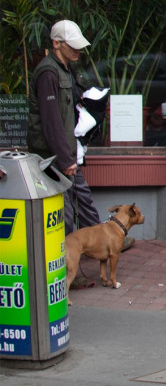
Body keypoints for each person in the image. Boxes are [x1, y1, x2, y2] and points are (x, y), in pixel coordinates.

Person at [27, 19, 102, 234]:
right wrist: (65, 159)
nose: (78, 49)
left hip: (68, 152)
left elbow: (66, 112)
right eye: (73, 44)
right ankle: (66, 260)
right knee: (65, 214)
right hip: (53, 157)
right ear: (57, 43)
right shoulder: (48, 73)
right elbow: (51, 122)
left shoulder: (66, 69)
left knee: (84, 201)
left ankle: (101, 245)